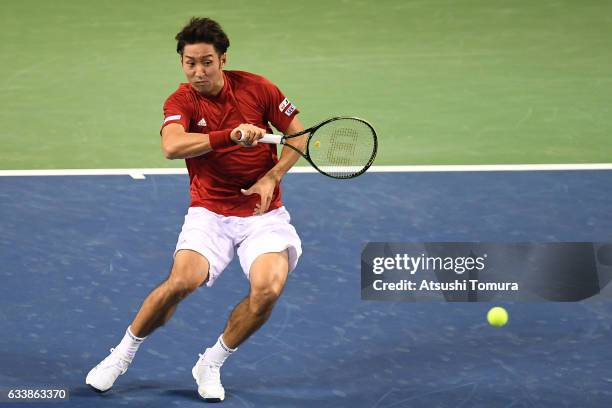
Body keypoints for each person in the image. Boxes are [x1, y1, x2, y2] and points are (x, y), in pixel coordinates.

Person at [85, 17, 306, 402]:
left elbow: (299, 135)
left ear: (223, 58)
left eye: (207, 61)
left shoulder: (258, 87)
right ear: (182, 63)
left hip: (262, 215)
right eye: (190, 63)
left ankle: (212, 362)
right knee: (181, 282)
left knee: (268, 290)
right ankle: (122, 355)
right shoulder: (181, 101)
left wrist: (272, 176)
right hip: (210, 212)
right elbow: (171, 146)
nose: (198, 71)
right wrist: (231, 135)